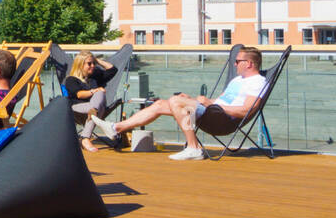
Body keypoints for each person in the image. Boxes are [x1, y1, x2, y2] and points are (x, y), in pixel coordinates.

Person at [91, 47, 267, 161]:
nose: (235, 64)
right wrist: (200, 101)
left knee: (176, 101)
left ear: (249, 63)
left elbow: (245, 110)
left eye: (238, 61)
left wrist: (212, 106)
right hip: (213, 111)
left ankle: (194, 148)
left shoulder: (258, 82)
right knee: (160, 104)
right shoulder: (238, 80)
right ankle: (116, 128)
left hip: (222, 120)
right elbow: (220, 101)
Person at [64, 51, 117, 153]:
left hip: (91, 109)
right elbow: (79, 94)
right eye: (89, 63)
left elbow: (113, 70)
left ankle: (85, 138)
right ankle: (85, 137)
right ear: (80, 64)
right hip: (77, 108)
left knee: (99, 96)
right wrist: (94, 90)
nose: (92, 66)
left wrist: (96, 60)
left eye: (93, 63)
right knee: (98, 95)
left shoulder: (94, 77)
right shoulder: (71, 79)